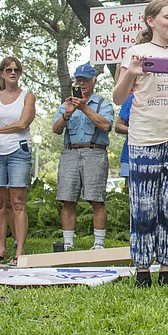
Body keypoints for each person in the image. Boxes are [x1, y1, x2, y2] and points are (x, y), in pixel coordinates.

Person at [112, 0, 168, 288]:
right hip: (145, 139)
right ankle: (142, 270)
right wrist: (132, 74)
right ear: (151, 21)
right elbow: (117, 98)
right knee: (144, 205)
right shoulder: (136, 53)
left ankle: (166, 268)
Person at [52, 63, 114, 251]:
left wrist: (85, 108)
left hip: (94, 151)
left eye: (85, 80)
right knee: (67, 197)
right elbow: (56, 129)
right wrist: (67, 113)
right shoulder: (66, 103)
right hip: (70, 151)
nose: (81, 83)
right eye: (78, 80)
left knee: (96, 198)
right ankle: (68, 242)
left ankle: (99, 243)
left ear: (94, 81)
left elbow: (106, 126)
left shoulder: (103, 104)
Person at [0, 56, 36, 265]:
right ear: (2, 74)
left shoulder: (27, 96)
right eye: (8, 70)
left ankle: (19, 251)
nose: (13, 73)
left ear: (20, 73)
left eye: (16, 70)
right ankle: (0, 249)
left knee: (18, 201)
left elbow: (23, 123)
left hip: (18, 151)